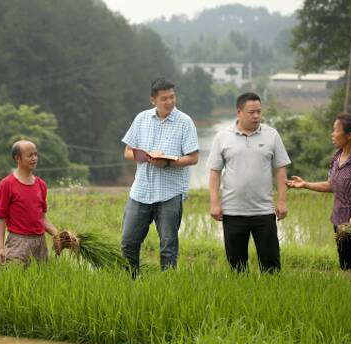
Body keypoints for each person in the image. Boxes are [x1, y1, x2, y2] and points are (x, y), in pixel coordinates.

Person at [121, 77, 199, 274]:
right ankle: (131, 283)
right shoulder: (141, 119)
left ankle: (167, 286)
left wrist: (167, 162)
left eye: (172, 97)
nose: (170, 102)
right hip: (140, 192)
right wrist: (147, 158)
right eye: (164, 98)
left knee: (168, 247)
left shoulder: (185, 122)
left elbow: (193, 158)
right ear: (153, 100)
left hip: (170, 194)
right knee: (128, 242)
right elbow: (128, 152)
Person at [208, 92, 291, 274]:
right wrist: (214, 203)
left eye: (259, 112)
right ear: (239, 112)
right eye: (251, 112)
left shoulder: (272, 135)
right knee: (237, 268)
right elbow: (214, 173)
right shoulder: (222, 137)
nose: (256, 116)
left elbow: (280, 170)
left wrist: (282, 201)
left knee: (271, 267)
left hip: (264, 211)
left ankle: (271, 299)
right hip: (232, 212)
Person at [287, 113, 351, 276]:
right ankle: (349, 294)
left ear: (349, 135)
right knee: (345, 262)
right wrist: (305, 184)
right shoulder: (337, 156)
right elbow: (332, 185)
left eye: (336, 130)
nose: (332, 134)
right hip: (340, 221)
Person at [0, 140, 58, 266]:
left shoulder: (41, 185)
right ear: (17, 158)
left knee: (40, 281)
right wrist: (1, 248)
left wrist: (58, 234)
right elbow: (0, 218)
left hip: (40, 243)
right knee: (14, 282)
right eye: (30, 155)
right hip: (18, 242)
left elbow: (42, 217)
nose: (34, 158)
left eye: (35, 154)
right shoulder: (7, 184)